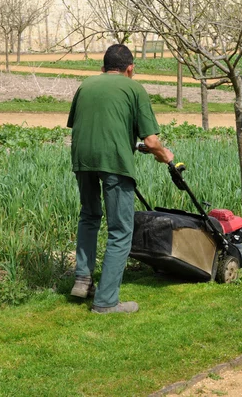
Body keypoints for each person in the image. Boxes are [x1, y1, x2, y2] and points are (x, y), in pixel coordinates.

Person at [67, 44, 174, 314]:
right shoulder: (134, 88)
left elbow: (85, 124)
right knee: (120, 230)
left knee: (90, 216)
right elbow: (150, 140)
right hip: (113, 162)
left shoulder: (85, 86)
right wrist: (166, 156)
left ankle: (82, 279)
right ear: (130, 69)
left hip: (82, 159)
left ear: (102, 68)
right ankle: (105, 301)